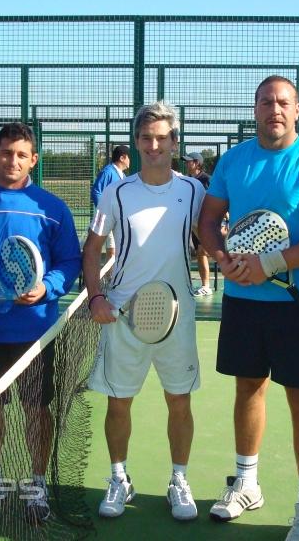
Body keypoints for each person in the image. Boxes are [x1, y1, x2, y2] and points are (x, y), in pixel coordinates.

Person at [198, 75, 299, 540]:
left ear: (297, 110)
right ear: (255, 109)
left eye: (283, 102)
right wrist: (222, 258)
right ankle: (246, 484)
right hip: (243, 303)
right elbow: (208, 219)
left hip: (297, 305)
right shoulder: (234, 161)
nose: (274, 110)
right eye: (266, 102)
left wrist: (272, 262)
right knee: (248, 388)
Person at [82, 101, 205, 521]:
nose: (154, 146)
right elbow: (93, 249)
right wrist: (97, 297)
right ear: (136, 143)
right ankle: (119, 478)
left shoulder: (193, 190)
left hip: (178, 318)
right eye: (146, 138)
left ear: (175, 141)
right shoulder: (116, 191)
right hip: (122, 318)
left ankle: (179, 480)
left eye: (162, 138)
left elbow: (209, 238)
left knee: (180, 403)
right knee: (119, 405)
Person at [0, 122, 81, 522]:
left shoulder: (52, 208)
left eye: (22, 154)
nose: (13, 160)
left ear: (33, 160)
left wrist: (48, 288)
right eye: (6, 152)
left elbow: (70, 262)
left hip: (36, 333)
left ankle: (36, 486)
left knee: (35, 410)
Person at [91, 144, 131, 260]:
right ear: (122, 158)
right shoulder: (108, 172)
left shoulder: (121, 175)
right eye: (129, 158)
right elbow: (96, 191)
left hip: (119, 219)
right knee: (113, 251)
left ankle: (110, 276)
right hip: (109, 218)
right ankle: (108, 277)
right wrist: (106, 212)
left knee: (116, 250)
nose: (130, 161)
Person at [182, 151, 213, 296]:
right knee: (200, 253)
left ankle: (206, 286)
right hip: (192, 222)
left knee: (203, 252)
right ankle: (203, 285)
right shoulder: (186, 181)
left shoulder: (207, 179)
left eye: (189, 161)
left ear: (197, 163)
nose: (187, 164)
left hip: (206, 222)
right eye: (186, 161)